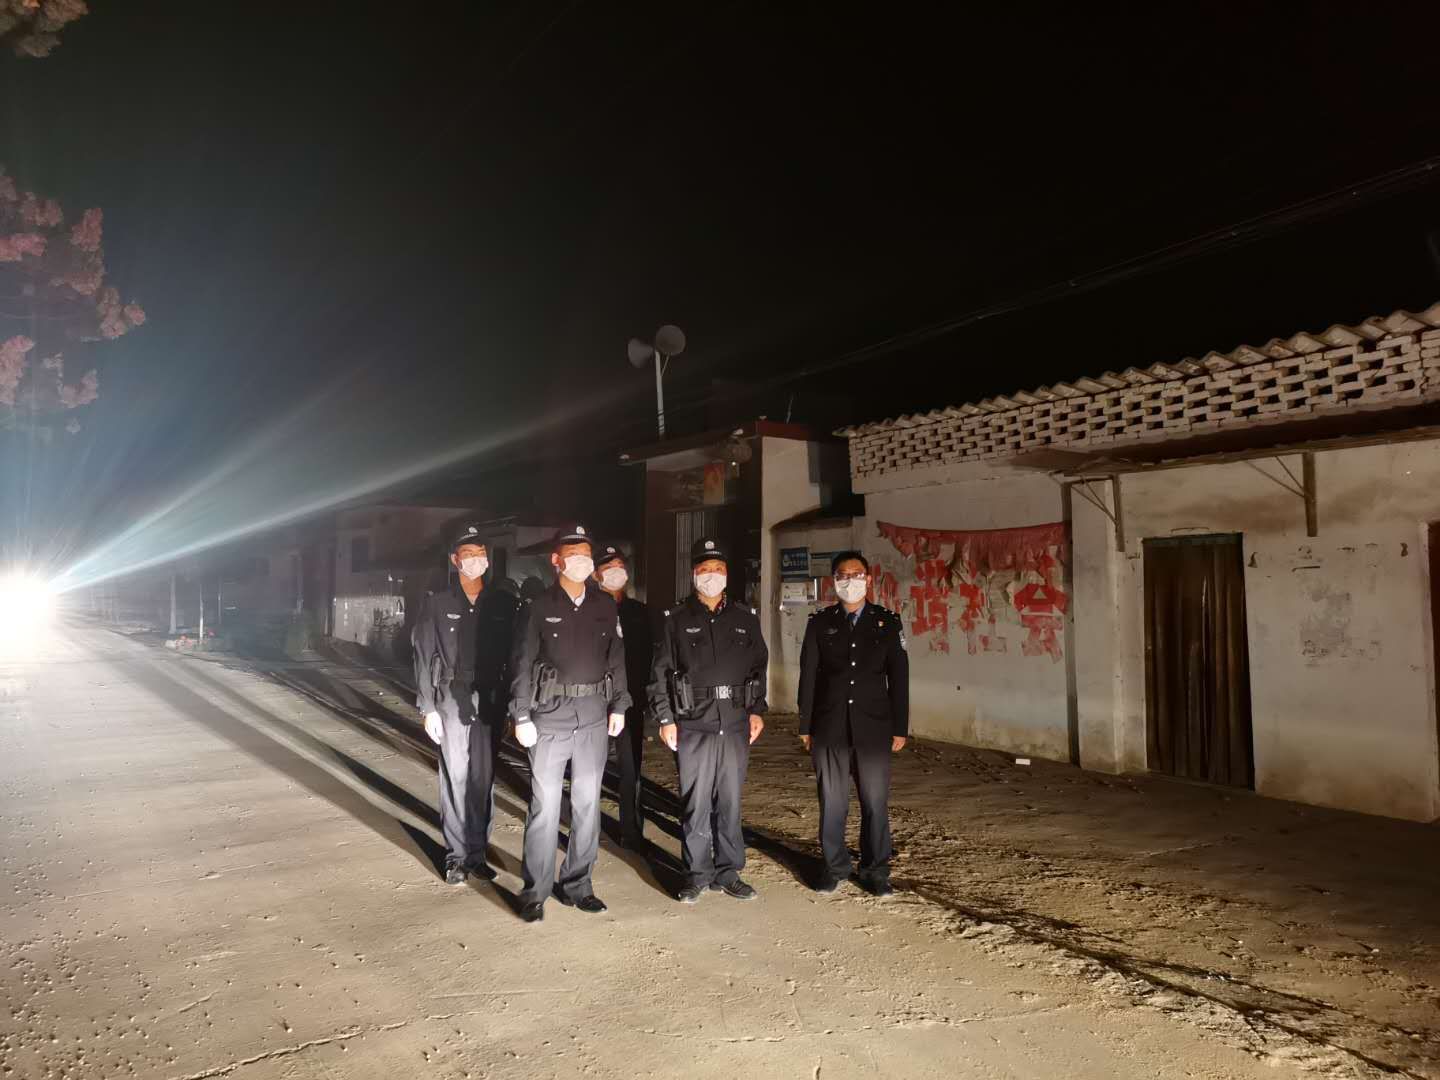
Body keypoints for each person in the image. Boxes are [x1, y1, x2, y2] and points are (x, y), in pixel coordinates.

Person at [508, 523, 630, 923]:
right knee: (545, 806)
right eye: (573, 555)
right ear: (556, 560)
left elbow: (616, 658)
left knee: (588, 804)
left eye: (586, 555)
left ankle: (578, 884)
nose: (581, 562)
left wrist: (619, 705)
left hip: (593, 716)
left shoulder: (604, 605)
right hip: (550, 717)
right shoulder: (538, 606)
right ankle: (535, 891)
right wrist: (521, 714)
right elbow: (522, 662)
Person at [649, 537, 767, 904]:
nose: (711, 575)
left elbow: (758, 667)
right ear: (693, 574)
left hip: (734, 722)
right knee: (695, 803)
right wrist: (665, 718)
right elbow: (660, 673)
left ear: (727, 574)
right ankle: (697, 874)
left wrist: (756, 710)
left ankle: (728, 872)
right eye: (704, 569)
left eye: (717, 569)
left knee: (729, 801)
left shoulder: (745, 618)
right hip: (693, 722)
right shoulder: (676, 620)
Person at [411, 525, 520, 886]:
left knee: (482, 778)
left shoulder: (503, 604)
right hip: (450, 695)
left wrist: (512, 707)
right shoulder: (437, 603)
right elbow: (423, 655)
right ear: (455, 560)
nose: (476, 560)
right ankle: (456, 857)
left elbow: (515, 658)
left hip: (489, 697)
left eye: (481, 554)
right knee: (455, 775)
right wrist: (427, 707)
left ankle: (477, 853)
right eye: (468, 555)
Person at [797, 550, 909, 897]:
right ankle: (834, 867)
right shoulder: (820, 623)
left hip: (874, 728)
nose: (850, 581)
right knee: (832, 803)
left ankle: (875, 871)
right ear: (833, 581)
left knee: (874, 802)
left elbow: (899, 678)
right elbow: (808, 677)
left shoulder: (887, 623)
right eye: (842, 576)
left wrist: (900, 727)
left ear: (868, 579)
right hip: (829, 726)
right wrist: (805, 725)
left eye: (856, 574)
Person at [594, 544, 653, 849]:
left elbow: (649, 657)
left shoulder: (640, 613)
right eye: (608, 567)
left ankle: (631, 831)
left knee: (631, 769)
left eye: (619, 566)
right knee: (590, 769)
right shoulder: (588, 610)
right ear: (596, 574)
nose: (615, 572)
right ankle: (587, 831)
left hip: (630, 701)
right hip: (593, 702)